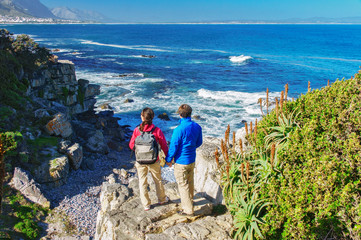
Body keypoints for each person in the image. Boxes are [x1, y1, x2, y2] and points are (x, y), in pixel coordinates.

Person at [129, 107, 170, 211]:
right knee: (158, 180)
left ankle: (146, 204)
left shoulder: (137, 130)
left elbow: (131, 145)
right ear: (152, 118)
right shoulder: (157, 130)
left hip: (140, 161)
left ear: (142, 117)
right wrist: (168, 159)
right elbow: (164, 146)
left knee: (142, 182)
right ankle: (162, 199)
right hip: (154, 160)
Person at [165, 104, 202, 216]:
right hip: (191, 159)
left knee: (183, 185)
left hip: (181, 161)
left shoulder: (178, 130)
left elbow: (173, 147)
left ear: (180, 115)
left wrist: (168, 159)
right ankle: (190, 200)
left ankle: (188, 210)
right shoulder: (197, 126)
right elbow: (199, 142)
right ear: (190, 114)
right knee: (190, 181)